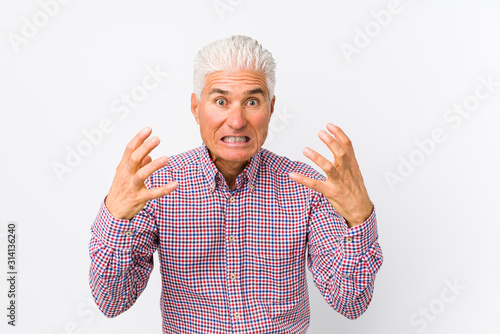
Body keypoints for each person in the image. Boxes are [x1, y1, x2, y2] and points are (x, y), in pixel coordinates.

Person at [88, 35, 383, 333]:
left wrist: (359, 220)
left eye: (252, 102)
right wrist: (115, 217)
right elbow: (111, 302)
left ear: (270, 108)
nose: (237, 120)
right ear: (196, 107)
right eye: (221, 101)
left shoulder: (307, 188)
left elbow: (351, 303)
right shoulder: (155, 188)